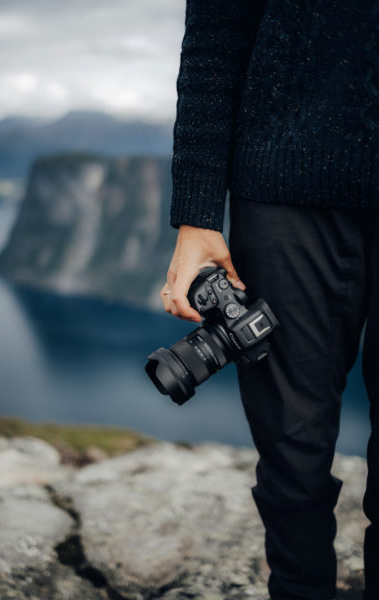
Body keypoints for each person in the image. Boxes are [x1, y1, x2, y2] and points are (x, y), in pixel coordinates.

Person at [160, 1, 379, 599]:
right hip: (284, 178)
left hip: (281, 173)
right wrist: (196, 214)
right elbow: (216, 31)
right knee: (291, 447)